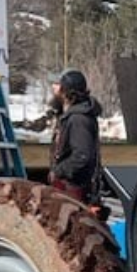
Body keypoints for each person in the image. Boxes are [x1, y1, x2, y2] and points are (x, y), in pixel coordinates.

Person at [48, 68, 102, 203]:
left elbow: (82, 156)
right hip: (69, 189)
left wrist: (58, 172)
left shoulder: (78, 119)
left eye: (58, 86)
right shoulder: (70, 116)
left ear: (66, 93)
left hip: (74, 190)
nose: (54, 89)